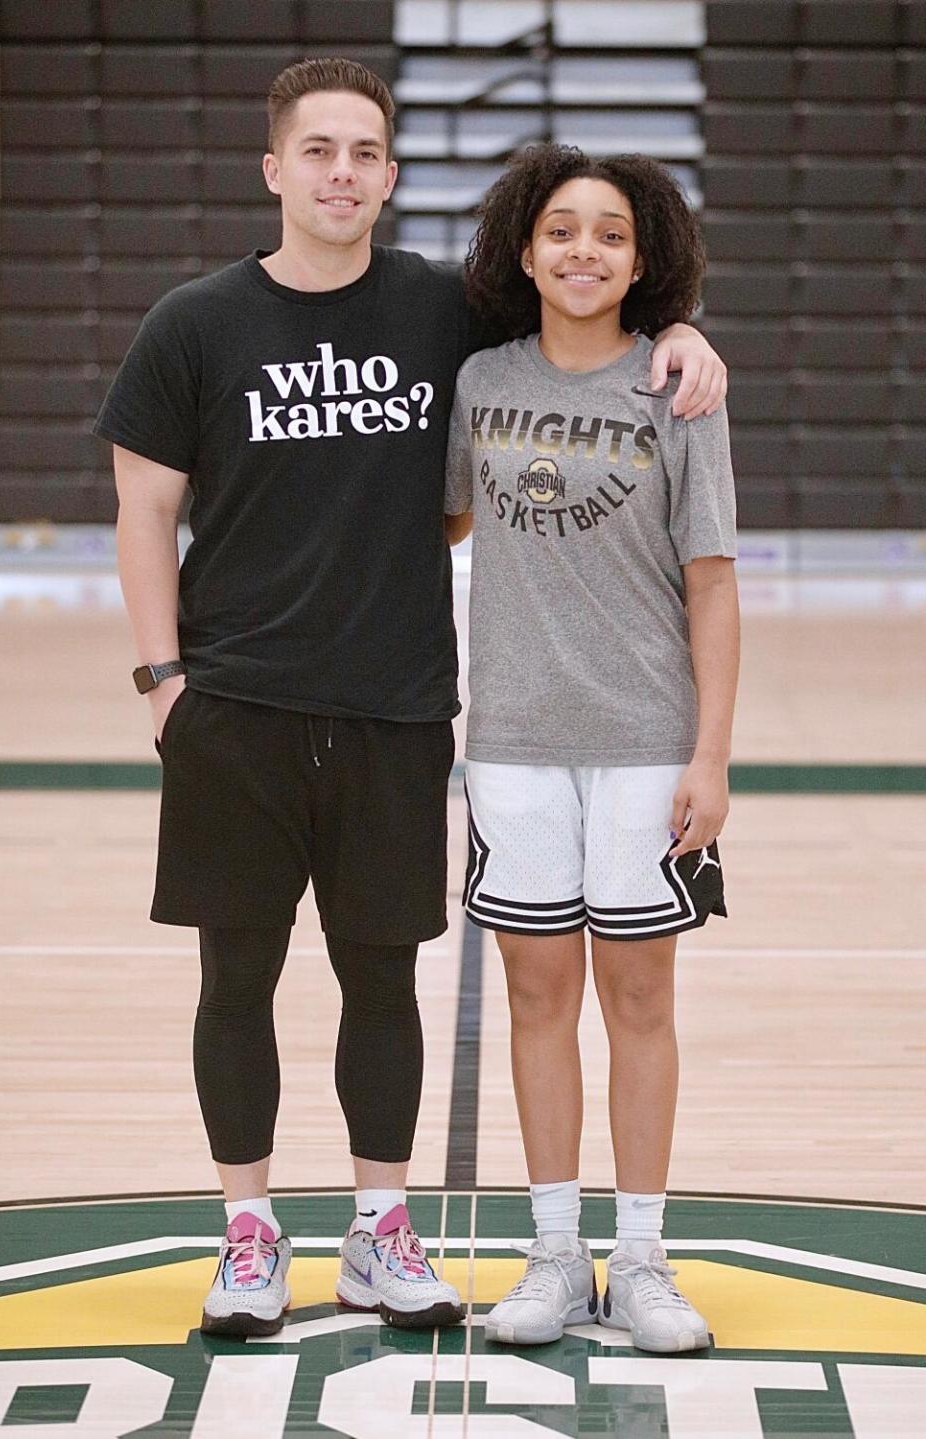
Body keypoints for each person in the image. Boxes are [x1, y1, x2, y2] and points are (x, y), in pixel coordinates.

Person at [95, 58, 729, 1340]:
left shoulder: (446, 317)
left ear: (391, 173)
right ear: (275, 168)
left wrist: (682, 328)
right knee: (238, 978)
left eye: (365, 153)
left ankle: (382, 1229)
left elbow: (582, 313)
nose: (341, 173)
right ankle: (250, 1232)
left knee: (384, 979)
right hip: (237, 704)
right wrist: (162, 678)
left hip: (397, 708)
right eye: (317, 150)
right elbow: (144, 508)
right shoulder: (193, 323)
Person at [444, 143, 739, 1352]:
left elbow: (712, 586)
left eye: (609, 233)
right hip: (512, 737)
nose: (583, 251)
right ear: (524, 248)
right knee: (534, 993)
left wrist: (710, 757)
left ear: (642, 257)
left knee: (639, 994)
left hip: (644, 740)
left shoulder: (680, 390)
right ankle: (556, 1255)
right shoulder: (475, 383)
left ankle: (644, 1257)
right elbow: (440, 516)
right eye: (561, 229)